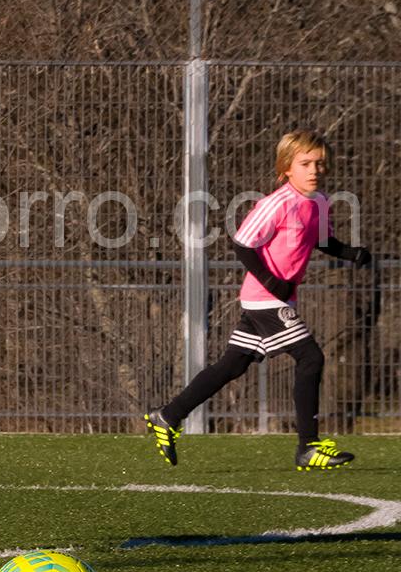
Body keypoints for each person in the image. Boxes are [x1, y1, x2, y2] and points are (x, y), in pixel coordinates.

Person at [145, 128, 371, 471]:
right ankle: (308, 447)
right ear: (286, 167)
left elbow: (322, 240)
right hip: (264, 299)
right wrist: (270, 281)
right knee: (310, 358)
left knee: (232, 365)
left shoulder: (319, 202)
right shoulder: (276, 203)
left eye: (320, 163)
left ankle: (168, 415)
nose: (314, 170)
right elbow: (243, 243)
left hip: (278, 300)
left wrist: (351, 253)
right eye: (305, 163)